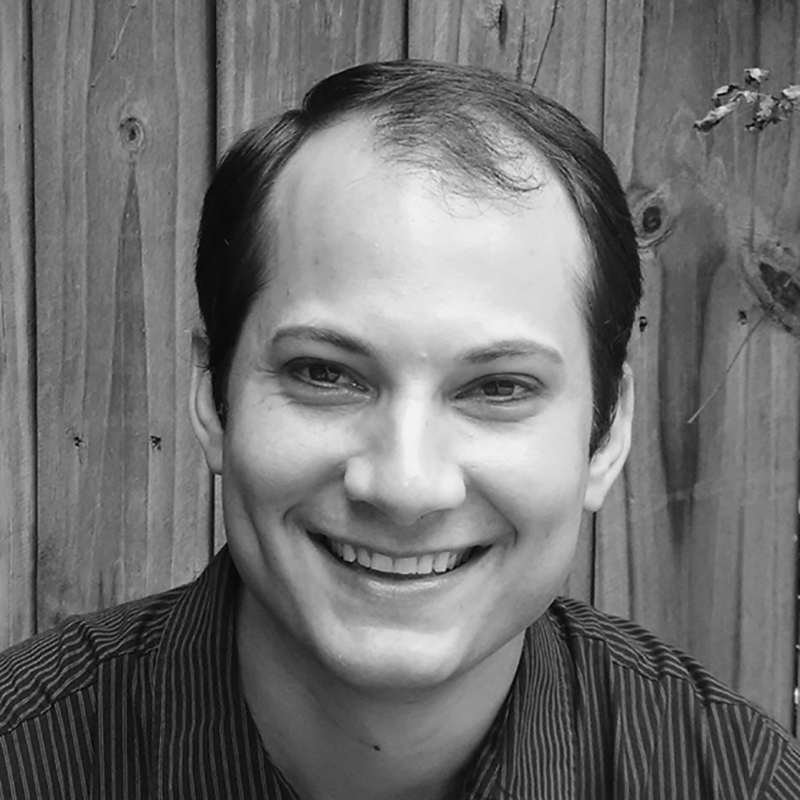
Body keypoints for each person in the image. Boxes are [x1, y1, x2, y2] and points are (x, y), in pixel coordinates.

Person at [1, 60, 798, 800]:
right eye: (326, 374)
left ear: (608, 430)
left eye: (498, 387)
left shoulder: (736, 780)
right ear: (213, 398)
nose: (407, 487)